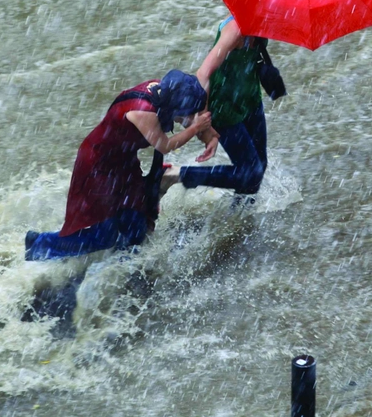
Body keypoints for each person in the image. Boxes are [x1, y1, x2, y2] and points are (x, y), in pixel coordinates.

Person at [25, 70, 211, 261]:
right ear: (175, 107)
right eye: (187, 114)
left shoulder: (165, 90)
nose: (188, 119)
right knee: (104, 236)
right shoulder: (142, 110)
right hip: (98, 166)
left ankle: (119, 267)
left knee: (136, 224)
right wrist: (196, 128)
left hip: (122, 161)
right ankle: (39, 244)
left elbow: (191, 115)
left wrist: (208, 133)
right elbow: (165, 145)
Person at [163, 17, 270, 197]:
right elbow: (203, 74)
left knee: (258, 167)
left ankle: (239, 219)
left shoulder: (264, 22)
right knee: (251, 173)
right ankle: (175, 175)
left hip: (251, 100)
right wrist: (204, 125)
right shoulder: (235, 30)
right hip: (224, 108)